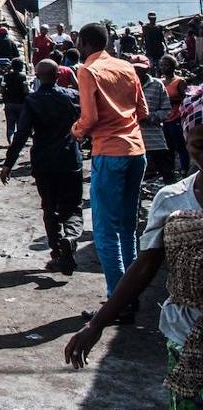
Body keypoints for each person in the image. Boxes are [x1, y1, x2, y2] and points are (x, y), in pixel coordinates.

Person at [65, 86, 203, 406]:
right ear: (186, 141)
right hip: (185, 336)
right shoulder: (171, 199)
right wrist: (96, 324)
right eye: (199, 144)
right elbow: (145, 266)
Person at [73, 22, 149, 319]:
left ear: (85, 42)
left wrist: (76, 131)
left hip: (109, 152)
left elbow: (89, 118)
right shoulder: (126, 67)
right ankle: (130, 296)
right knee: (128, 228)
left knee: (105, 230)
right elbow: (141, 111)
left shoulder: (88, 70)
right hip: (136, 151)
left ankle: (116, 300)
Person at [0, 60, 83, 275]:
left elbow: (21, 134)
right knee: (72, 206)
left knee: (49, 207)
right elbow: (87, 122)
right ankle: (71, 238)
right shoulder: (72, 97)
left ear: (37, 76)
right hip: (69, 159)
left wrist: (9, 163)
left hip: (44, 162)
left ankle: (57, 252)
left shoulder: (32, 101)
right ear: (58, 75)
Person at [132, 55, 174, 184]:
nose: (138, 72)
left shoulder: (157, 84)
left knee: (166, 170)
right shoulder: (126, 84)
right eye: (135, 69)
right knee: (134, 174)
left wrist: (149, 117)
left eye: (141, 69)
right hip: (133, 136)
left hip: (154, 136)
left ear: (147, 69)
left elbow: (166, 110)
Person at [162, 56, 189, 177]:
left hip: (176, 117)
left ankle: (184, 169)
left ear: (173, 66)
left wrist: (171, 101)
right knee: (168, 147)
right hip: (164, 119)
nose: (163, 68)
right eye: (162, 65)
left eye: (166, 65)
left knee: (180, 146)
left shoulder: (179, 81)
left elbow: (186, 98)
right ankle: (171, 170)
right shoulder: (160, 82)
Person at [2, 58, 30, 145]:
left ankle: (10, 143)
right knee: (20, 126)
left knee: (10, 126)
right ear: (21, 66)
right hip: (21, 104)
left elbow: (2, 90)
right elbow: (26, 91)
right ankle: (18, 144)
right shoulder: (23, 76)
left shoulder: (6, 76)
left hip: (9, 104)